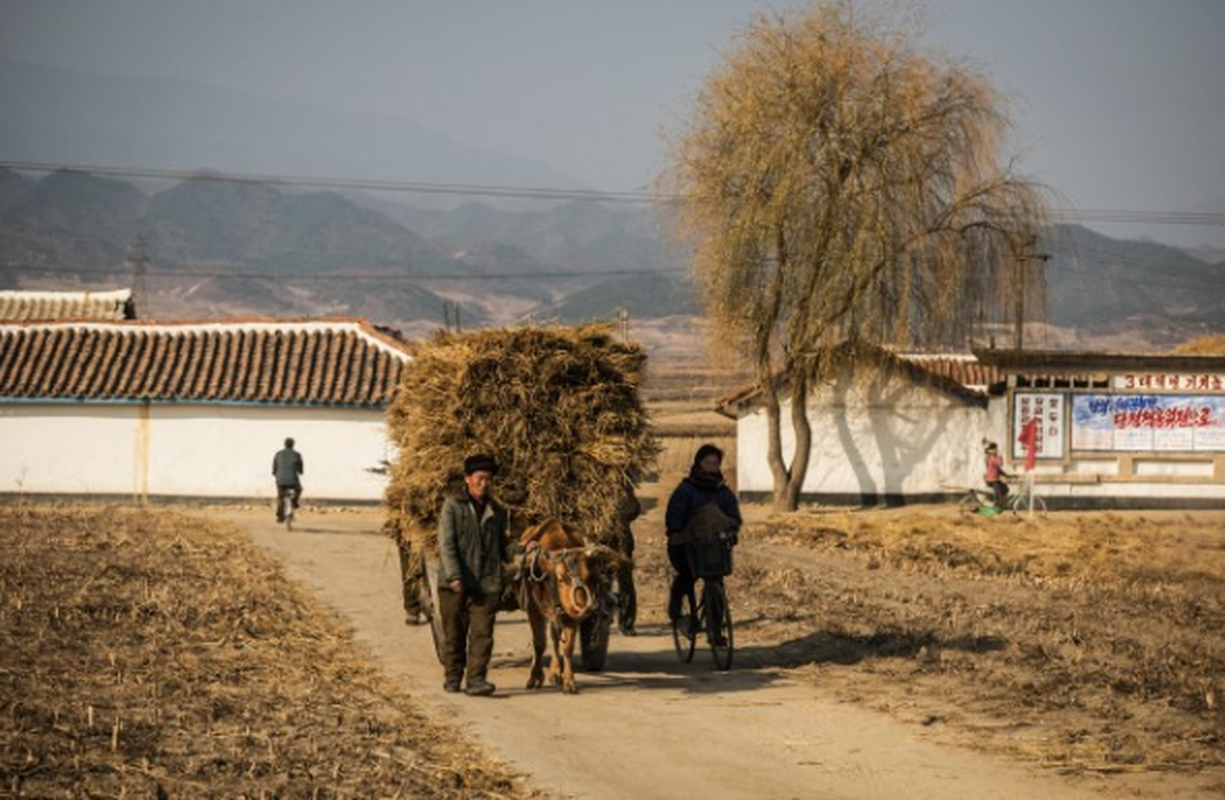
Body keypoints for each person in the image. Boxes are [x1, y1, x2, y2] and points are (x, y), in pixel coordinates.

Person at [437, 453, 513, 696]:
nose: (484, 484)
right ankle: (452, 678)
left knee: (482, 634)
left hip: (487, 583)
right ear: (467, 479)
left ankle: (476, 680)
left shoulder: (497, 512)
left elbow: (504, 547)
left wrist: (524, 549)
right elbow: (446, 544)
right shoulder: (452, 506)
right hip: (455, 585)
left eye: (488, 479)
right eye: (480, 478)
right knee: (455, 634)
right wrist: (454, 576)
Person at [665, 444, 741, 641]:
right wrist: (677, 532)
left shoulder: (723, 492)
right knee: (686, 577)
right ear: (699, 463)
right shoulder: (686, 490)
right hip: (685, 546)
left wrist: (731, 531)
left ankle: (715, 630)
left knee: (715, 584)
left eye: (715, 463)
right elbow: (674, 516)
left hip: (713, 547)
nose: (712, 466)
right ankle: (677, 614)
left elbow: (734, 517)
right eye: (708, 462)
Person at [614, 486, 642, 636]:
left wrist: (620, 517)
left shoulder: (622, 484)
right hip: (597, 539)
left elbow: (635, 508)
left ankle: (626, 623)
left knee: (625, 581)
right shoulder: (587, 484)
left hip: (621, 542)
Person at [271, 437, 303, 522]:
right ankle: (294, 502)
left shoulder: (278, 454)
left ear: (284, 444)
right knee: (299, 489)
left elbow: (274, 469)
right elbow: (300, 469)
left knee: (281, 497)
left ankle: (280, 517)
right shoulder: (297, 454)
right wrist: (300, 471)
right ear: (293, 445)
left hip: (280, 480)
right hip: (293, 480)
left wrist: (275, 474)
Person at [983, 440, 1014, 509]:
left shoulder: (990, 458)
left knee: (1005, 489)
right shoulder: (992, 458)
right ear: (989, 451)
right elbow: (1000, 464)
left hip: (994, 479)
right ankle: (998, 505)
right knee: (999, 493)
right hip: (992, 480)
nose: (996, 450)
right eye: (994, 449)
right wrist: (999, 455)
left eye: (996, 448)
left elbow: (998, 469)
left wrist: (1005, 475)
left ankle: (998, 502)